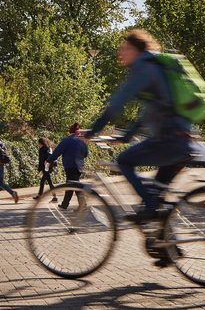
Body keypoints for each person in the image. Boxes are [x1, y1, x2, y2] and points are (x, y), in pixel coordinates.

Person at [87, 29, 194, 222]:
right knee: (156, 197)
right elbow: (146, 115)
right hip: (179, 139)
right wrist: (126, 137)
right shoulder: (154, 68)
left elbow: (118, 102)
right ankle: (167, 247)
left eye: (125, 48)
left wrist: (94, 130)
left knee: (124, 161)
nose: (121, 53)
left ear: (136, 50)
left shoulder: (144, 68)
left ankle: (151, 207)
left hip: (168, 140)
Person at [49, 123, 89, 209]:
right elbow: (86, 154)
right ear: (77, 132)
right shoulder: (81, 142)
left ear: (69, 131)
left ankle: (81, 204)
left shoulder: (66, 141)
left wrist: (48, 160)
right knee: (72, 184)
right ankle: (65, 204)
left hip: (70, 166)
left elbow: (57, 152)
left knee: (73, 185)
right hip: (80, 166)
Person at [36, 137, 58, 202]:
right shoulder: (49, 148)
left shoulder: (42, 149)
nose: (38, 144)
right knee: (42, 181)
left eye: (39, 143)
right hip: (49, 166)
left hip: (45, 167)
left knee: (49, 182)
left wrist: (40, 168)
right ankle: (40, 195)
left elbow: (41, 160)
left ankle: (54, 197)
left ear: (41, 143)